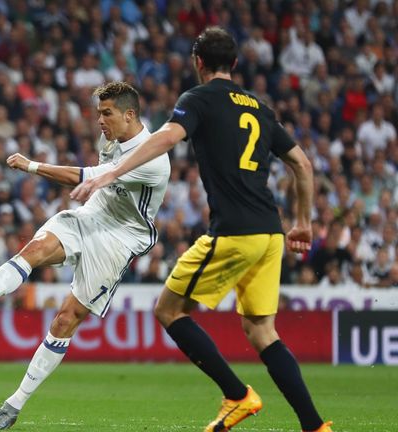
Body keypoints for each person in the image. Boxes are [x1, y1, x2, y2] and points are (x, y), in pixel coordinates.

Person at [71, 27, 332, 432]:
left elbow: (166, 139)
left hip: (233, 233)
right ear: (235, 64)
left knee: (168, 309)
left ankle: (237, 395)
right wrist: (303, 222)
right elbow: (303, 164)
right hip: (270, 233)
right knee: (263, 331)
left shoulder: (198, 99)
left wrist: (110, 173)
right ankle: (315, 427)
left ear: (198, 63)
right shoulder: (261, 108)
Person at [0, 81, 170, 430]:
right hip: (91, 215)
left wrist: (32, 166)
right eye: (98, 114)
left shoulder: (153, 156)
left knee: (66, 320)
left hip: (120, 238)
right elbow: (94, 181)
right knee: (33, 250)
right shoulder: (109, 139)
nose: (100, 121)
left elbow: (86, 175)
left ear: (130, 114)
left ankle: (13, 405)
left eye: (106, 114)